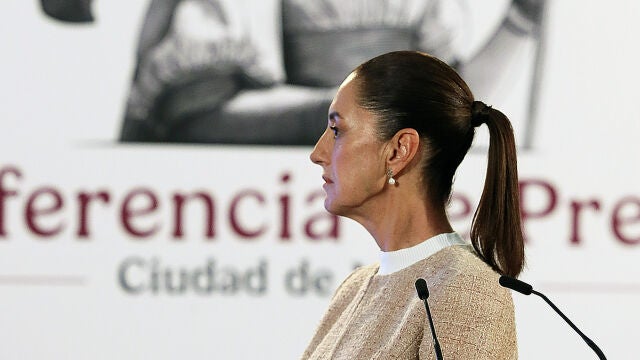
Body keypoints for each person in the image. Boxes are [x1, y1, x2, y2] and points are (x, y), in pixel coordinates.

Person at [302, 51, 525, 359]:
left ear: (398, 151)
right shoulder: (352, 289)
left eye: (337, 130)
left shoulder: (468, 291)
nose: (317, 152)